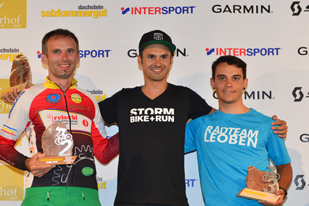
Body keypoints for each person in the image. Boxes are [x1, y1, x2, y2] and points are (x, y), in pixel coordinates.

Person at [98, 30, 288, 206]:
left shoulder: (185, 97)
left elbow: (221, 115)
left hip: (174, 200)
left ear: (171, 61)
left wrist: (271, 125)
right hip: (128, 199)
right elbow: (88, 118)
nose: (157, 63)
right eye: (151, 57)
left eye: (164, 57)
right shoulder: (123, 98)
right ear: (140, 61)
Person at [0, 29, 118, 206]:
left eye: (70, 51)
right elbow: (3, 143)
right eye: (56, 51)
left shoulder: (89, 100)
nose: (64, 57)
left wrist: (133, 128)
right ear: (44, 58)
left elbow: (103, 152)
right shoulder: (29, 96)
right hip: (42, 195)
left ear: (78, 58)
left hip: (86, 197)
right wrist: (26, 163)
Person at [185, 55, 292, 206]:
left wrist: (281, 190)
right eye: (222, 78)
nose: (228, 84)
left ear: (244, 83)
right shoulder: (198, 126)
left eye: (235, 78)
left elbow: (284, 166)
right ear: (213, 83)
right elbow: (163, 149)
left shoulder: (267, 124)